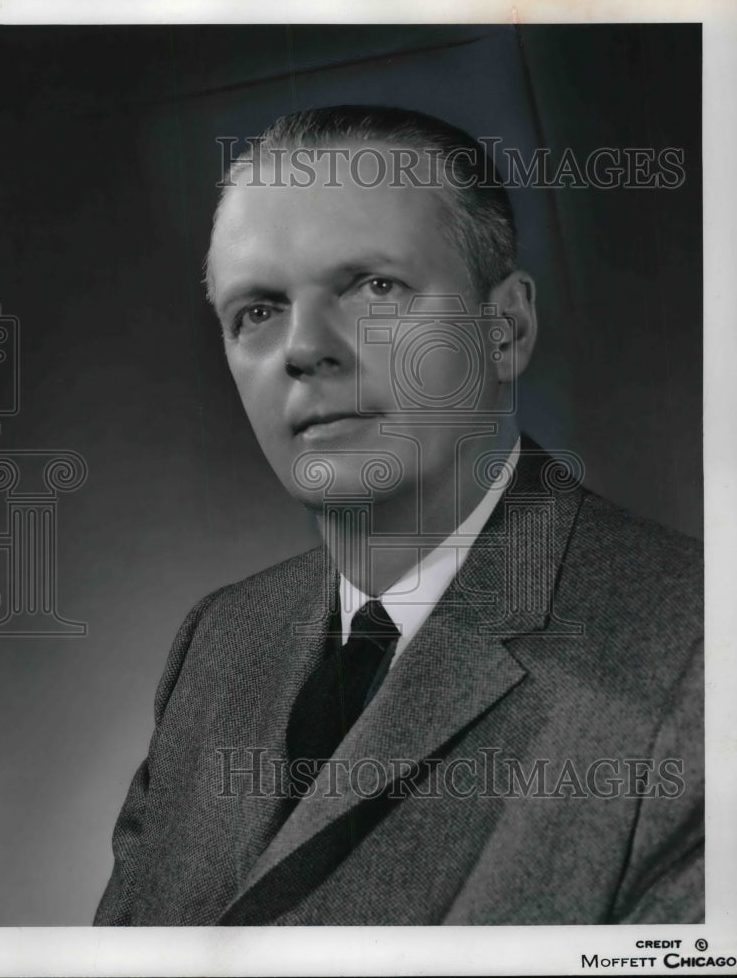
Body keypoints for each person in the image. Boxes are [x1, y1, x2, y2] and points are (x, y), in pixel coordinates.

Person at [94, 106, 703, 926]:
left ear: (505, 328)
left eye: (374, 286)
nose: (304, 347)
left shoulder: (697, 651)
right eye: (258, 311)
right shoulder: (218, 642)